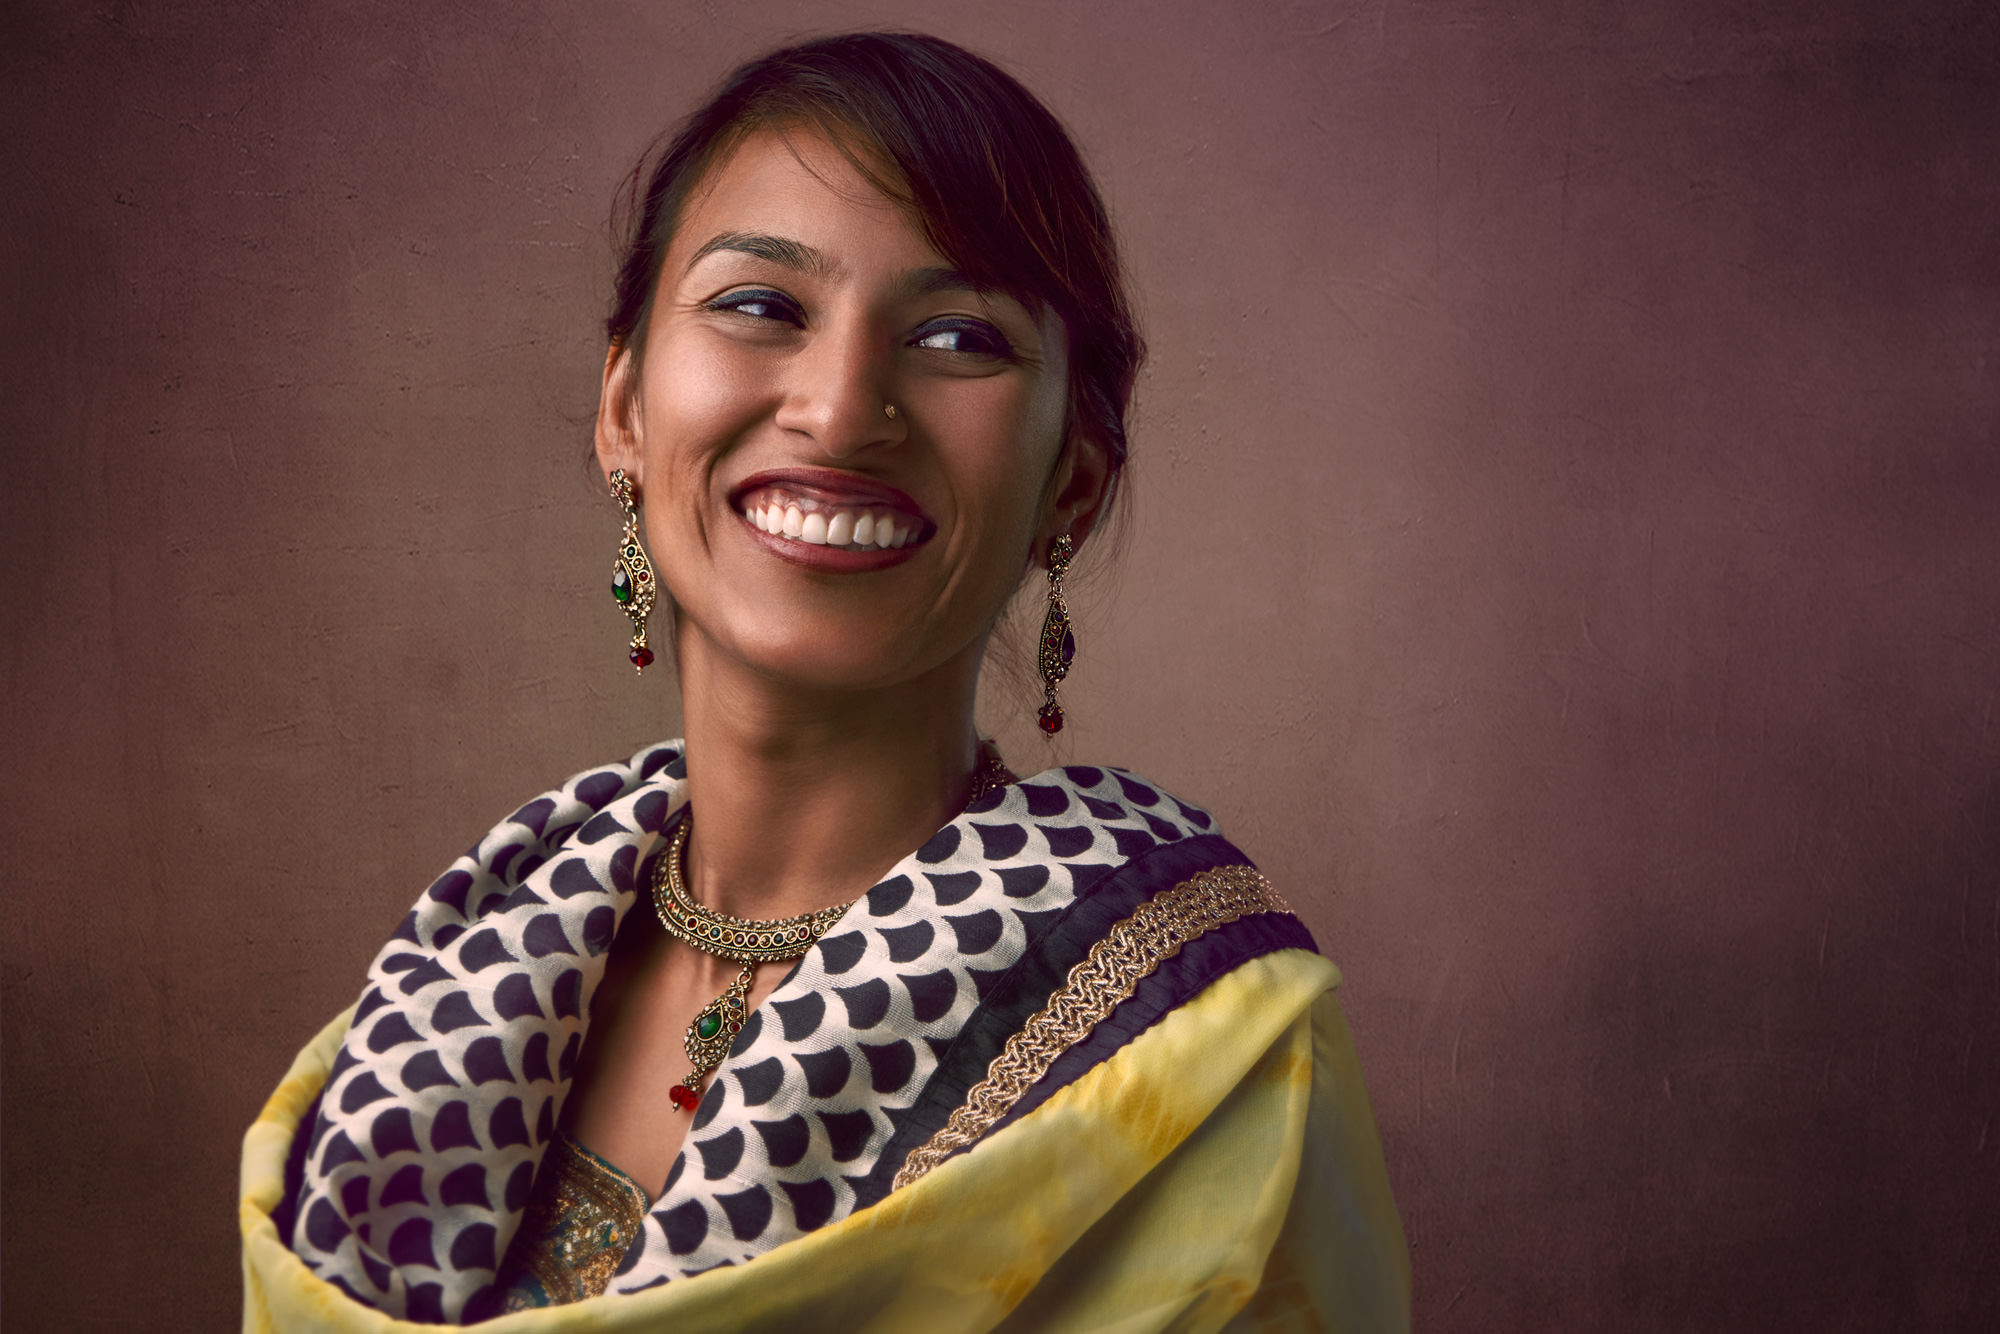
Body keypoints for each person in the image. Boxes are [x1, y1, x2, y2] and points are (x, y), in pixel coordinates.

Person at [239, 30, 1408, 1332]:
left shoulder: (1198, 1050)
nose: (845, 410)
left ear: (1070, 478)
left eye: (959, 336)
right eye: (760, 306)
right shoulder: (447, 994)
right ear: (624, 405)